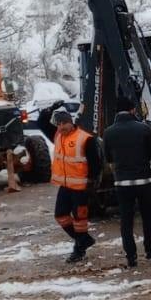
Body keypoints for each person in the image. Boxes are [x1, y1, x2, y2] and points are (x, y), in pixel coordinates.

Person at [103, 95, 151, 268]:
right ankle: (150, 251)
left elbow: (107, 157)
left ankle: (131, 256)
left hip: (123, 183)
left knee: (126, 220)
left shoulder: (108, 132)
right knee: (147, 217)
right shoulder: (143, 129)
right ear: (132, 110)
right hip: (143, 180)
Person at [51, 105, 102, 264]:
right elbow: (40, 122)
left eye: (63, 124)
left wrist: (92, 182)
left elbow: (96, 163)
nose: (61, 127)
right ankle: (83, 240)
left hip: (80, 186)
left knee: (80, 220)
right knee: (60, 215)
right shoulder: (59, 136)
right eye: (58, 125)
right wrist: (52, 108)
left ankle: (79, 250)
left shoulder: (85, 138)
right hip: (65, 185)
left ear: (70, 122)